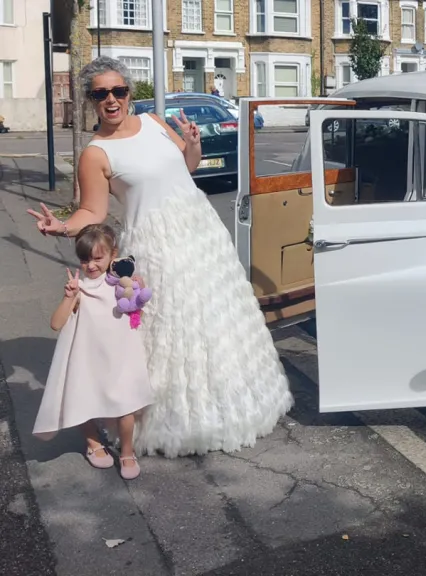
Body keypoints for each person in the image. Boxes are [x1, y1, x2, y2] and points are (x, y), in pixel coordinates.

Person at [26, 56, 294, 458]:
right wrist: (62, 226)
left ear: (129, 92)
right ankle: (173, 421)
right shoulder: (95, 154)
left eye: (119, 90)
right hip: (156, 246)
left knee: (216, 322)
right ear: (90, 101)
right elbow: (93, 211)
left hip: (202, 235)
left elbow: (187, 168)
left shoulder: (154, 122)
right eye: (101, 94)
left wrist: (194, 144)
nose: (112, 99)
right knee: (172, 332)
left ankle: (231, 408)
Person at [32, 224, 154, 480]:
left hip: (121, 357)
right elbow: (56, 323)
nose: (91, 265)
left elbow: (136, 311)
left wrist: (138, 289)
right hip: (88, 357)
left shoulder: (122, 284)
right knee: (81, 400)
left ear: (113, 254)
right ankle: (93, 442)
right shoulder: (81, 289)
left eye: (98, 258)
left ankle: (127, 452)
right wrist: (69, 296)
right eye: (85, 259)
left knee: (126, 405)